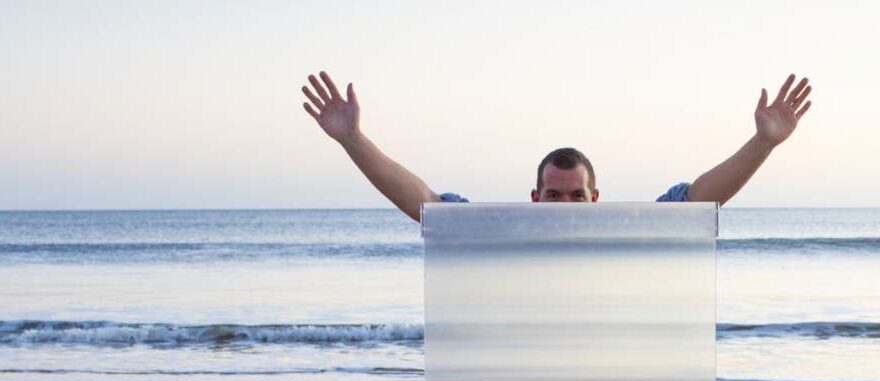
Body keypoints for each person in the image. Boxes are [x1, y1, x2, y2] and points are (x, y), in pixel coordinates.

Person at [301, 71, 811, 222]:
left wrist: (763, 144)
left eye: (573, 196)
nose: (563, 204)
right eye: (553, 195)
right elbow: (428, 206)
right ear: (535, 198)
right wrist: (353, 140)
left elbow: (698, 200)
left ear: (594, 198)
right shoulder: (511, 233)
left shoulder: (622, 232)